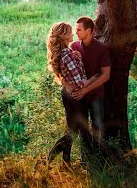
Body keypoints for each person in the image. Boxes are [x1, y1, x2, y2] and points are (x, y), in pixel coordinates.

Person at [46, 21, 95, 164]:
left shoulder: (65, 53)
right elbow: (79, 82)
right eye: (70, 31)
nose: (73, 33)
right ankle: (90, 163)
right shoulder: (67, 54)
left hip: (68, 94)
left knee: (72, 130)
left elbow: (69, 76)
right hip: (74, 96)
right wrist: (93, 78)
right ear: (63, 36)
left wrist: (78, 59)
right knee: (82, 130)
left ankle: (65, 162)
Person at [70, 16, 111, 154]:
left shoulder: (102, 49)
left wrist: (85, 90)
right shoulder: (74, 47)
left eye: (79, 30)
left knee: (97, 126)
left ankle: (100, 158)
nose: (76, 33)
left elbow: (106, 75)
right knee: (83, 128)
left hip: (95, 95)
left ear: (89, 30)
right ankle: (86, 158)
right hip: (79, 95)